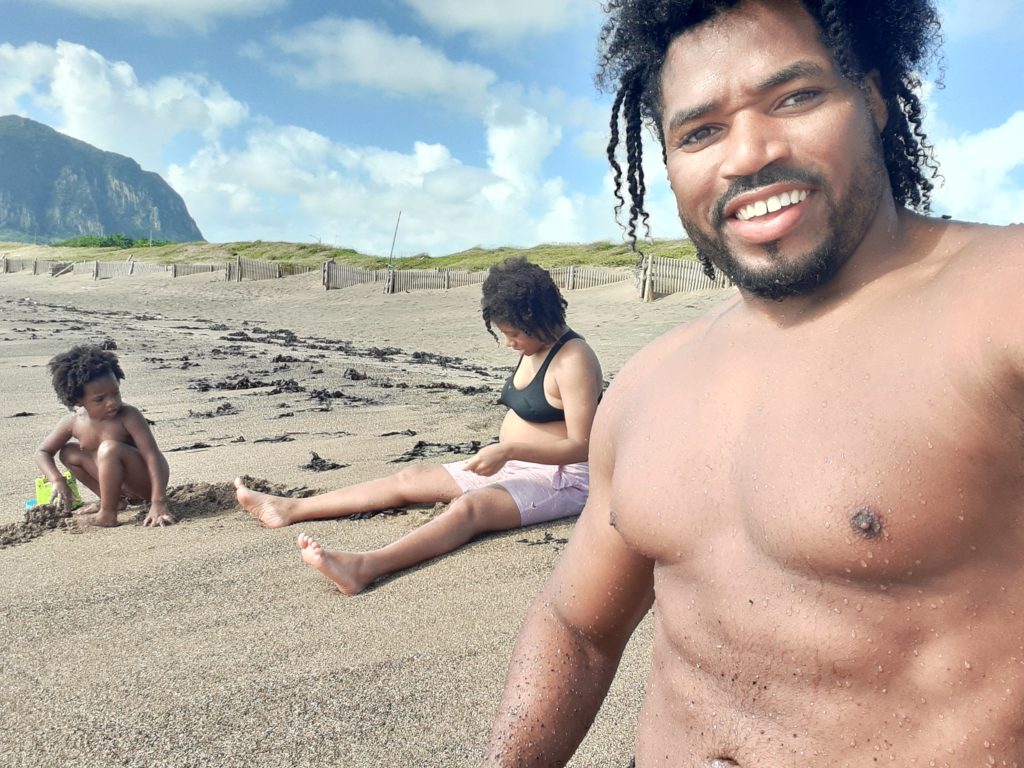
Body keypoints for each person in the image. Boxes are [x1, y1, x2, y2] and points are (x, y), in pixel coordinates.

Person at [482, 0, 1024, 766]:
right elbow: (577, 628)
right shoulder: (647, 385)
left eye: (795, 97)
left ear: (873, 97)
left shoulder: (1000, 300)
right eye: (700, 132)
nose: (748, 154)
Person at [235, 257, 603, 595]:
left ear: (538, 317)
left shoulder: (574, 360)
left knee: (471, 509)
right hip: (515, 462)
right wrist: (508, 454)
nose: (508, 342)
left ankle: (365, 567)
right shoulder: (533, 346)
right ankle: (290, 508)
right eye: (503, 332)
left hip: (564, 479)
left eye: (514, 333)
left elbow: (583, 445)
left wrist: (509, 450)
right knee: (410, 478)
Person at [36, 344, 175, 527]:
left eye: (116, 393)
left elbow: (153, 456)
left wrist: (158, 501)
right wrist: (57, 479)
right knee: (69, 452)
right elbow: (42, 452)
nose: (112, 403)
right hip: (118, 484)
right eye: (99, 399)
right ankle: (111, 501)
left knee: (109, 449)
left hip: (145, 482)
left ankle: (107, 515)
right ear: (78, 400)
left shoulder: (128, 416)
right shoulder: (73, 423)